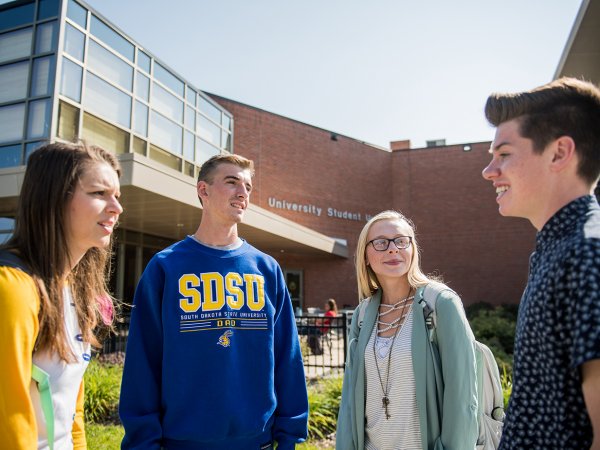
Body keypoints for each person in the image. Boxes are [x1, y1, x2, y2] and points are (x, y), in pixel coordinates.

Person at [120, 154, 309, 449]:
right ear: (203, 191)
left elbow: (288, 357)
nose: (243, 192)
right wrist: (143, 441)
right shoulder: (166, 267)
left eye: (247, 185)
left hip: (257, 442)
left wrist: (288, 437)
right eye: (231, 182)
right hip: (181, 443)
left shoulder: (266, 269)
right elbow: (143, 361)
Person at [482, 77, 600, 449]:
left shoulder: (587, 254)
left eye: (503, 154)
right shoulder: (558, 250)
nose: (489, 171)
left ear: (559, 153)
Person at [0, 142, 123, 449]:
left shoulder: (76, 290)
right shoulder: (11, 287)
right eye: (99, 193)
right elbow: (8, 418)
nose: (116, 208)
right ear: (54, 197)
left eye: (117, 196)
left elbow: (71, 410)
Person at [336, 210, 478, 450]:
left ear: (413, 250)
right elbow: (350, 397)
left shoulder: (440, 303)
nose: (393, 249)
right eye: (381, 243)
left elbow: (462, 396)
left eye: (401, 241)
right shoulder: (362, 314)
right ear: (366, 256)